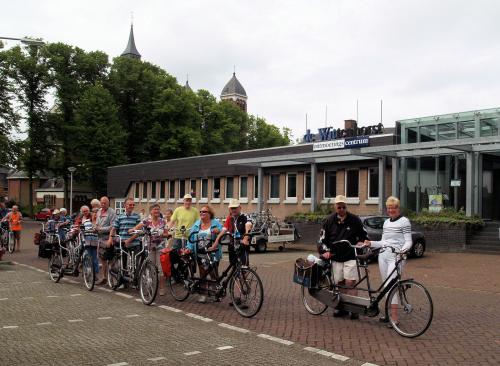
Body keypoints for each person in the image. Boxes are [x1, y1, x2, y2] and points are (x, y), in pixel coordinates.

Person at [363, 196, 412, 327]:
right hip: (383, 256)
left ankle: (394, 318)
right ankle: (387, 314)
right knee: (385, 286)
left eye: (393, 208)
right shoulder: (386, 223)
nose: (391, 210)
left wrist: (403, 251)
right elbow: (383, 242)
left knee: (392, 286)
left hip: (396, 257)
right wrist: (371, 243)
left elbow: (408, 241)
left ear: (398, 208)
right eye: (389, 208)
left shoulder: (404, 221)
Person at [320, 195, 368, 320]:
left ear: (346, 207)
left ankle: (354, 308)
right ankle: (341, 307)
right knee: (339, 283)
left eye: (343, 207)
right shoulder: (328, 221)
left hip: (350, 255)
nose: (341, 209)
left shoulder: (355, 220)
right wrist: (324, 251)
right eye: (339, 207)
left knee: (350, 282)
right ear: (335, 207)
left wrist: (361, 242)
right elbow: (322, 240)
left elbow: (364, 235)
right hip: (335, 256)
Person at [185, 205, 222, 303]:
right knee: (202, 274)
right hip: (200, 253)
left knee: (214, 274)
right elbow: (191, 238)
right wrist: (189, 248)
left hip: (213, 253)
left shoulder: (216, 223)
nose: (201, 213)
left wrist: (218, 232)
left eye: (204, 212)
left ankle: (215, 292)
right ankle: (202, 294)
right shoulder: (197, 224)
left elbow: (223, 234)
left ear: (210, 214)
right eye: (200, 211)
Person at [130, 204, 167, 295]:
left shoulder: (163, 221)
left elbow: (166, 233)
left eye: (158, 209)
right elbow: (138, 226)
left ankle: (161, 288)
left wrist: (163, 234)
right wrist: (133, 229)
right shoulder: (147, 221)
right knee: (150, 268)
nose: (157, 211)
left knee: (160, 268)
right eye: (155, 209)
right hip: (149, 247)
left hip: (160, 247)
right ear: (151, 211)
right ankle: (150, 287)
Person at [108, 198, 141, 286]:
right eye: (130, 204)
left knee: (136, 263)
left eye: (133, 205)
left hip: (135, 243)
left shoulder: (137, 216)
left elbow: (138, 231)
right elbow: (114, 228)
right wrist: (111, 238)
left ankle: (136, 282)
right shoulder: (120, 216)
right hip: (123, 243)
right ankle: (123, 281)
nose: (132, 206)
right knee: (123, 263)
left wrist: (129, 240)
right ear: (125, 206)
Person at [215, 199, 252, 267]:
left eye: (235, 208)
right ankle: (235, 277)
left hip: (242, 246)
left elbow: (248, 225)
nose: (233, 210)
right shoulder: (229, 218)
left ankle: (242, 277)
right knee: (233, 266)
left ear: (240, 208)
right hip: (232, 246)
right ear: (229, 209)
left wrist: (246, 238)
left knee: (244, 267)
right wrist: (215, 244)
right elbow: (223, 231)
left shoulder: (245, 216)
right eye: (232, 208)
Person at [95, 196, 116, 285]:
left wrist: (101, 229)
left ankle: (112, 279)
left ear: (108, 203)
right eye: (102, 203)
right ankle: (104, 277)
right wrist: (95, 228)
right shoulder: (99, 211)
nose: (103, 204)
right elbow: (96, 223)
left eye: (105, 203)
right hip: (100, 239)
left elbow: (112, 226)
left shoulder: (112, 212)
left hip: (108, 239)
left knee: (111, 259)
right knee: (102, 259)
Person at [79, 205, 99, 276]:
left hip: (94, 241)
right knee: (86, 257)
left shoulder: (94, 219)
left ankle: (95, 274)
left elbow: (96, 227)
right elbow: (80, 228)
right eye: (84, 211)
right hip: (86, 241)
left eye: (87, 211)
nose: (85, 212)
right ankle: (87, 272)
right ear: (82, 212)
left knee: (95, 258)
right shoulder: (82, 219)